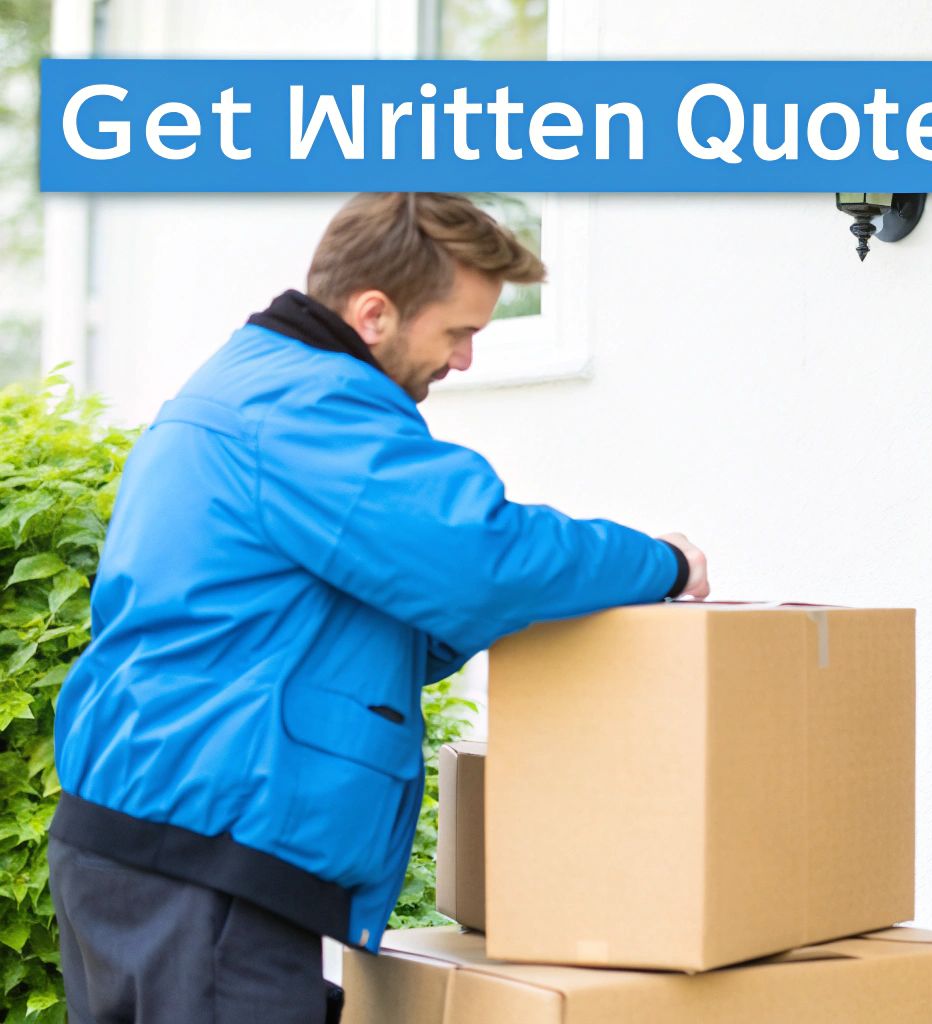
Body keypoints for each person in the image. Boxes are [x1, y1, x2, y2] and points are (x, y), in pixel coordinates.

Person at [49, 192, 710, 1023]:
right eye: (458, 331)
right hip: (205, 861)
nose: (464, 359)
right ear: (373, 313)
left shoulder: (247, 386)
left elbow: (376, 616)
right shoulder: (311, 410)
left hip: (140, 843)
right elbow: (481, 558)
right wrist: (663, 563)